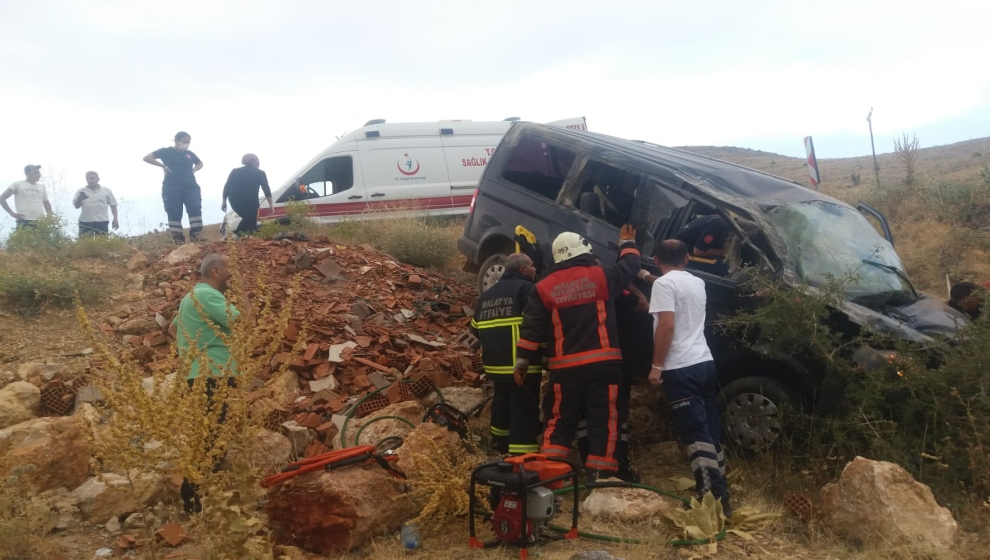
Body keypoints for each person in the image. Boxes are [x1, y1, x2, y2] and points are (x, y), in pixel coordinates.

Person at [516, 225, 641, 481]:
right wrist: (627, 242)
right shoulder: (602, 275)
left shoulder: (543, 287)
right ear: (584, 250)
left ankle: (551, 477)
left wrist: (522, 359)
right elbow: (630, 265)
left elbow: (532, 326)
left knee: (559, 418)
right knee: (605, 419)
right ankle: (602, 475)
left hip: (565, 369)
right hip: (604, 364)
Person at [648, 239, 731, 517]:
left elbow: (667, 325)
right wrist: (643, 276)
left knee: (695, 436)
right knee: (710, 431)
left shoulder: (663, 285)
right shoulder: (697, 283)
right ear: (686, 259)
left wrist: (657, 365)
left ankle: (713, 502)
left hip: (679, 368)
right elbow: (673, 287)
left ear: (656, 258)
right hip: (703, 362)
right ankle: (723, 495)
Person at [175, 253, 248, 513]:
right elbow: (243, 320)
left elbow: (174, 328)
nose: (233, 275)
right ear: (216, 271)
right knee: (212, 440)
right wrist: (243, 293)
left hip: (198, 373)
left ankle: (196, 498)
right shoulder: (207, 295)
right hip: (208, 374)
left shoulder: (192, 297)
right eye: (231, 269)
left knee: (207, 436)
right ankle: (193, 499)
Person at [471, 253, 543, 455]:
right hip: (521, 365)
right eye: (532, 266)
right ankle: (522, 457)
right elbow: (536, 325)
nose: (535, 269)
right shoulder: (527, 289)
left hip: (495, 366)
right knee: (524, 409)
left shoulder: (486, 296)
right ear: (522, 269)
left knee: (501, 404)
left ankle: (499, 447)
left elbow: (475, 329)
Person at [144, 132, 204, 243]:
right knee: (174, 212)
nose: (186, 144)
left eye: (188, 142)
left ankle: (196, 235)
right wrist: (162, 166)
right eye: (184, 141)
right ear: (176, 141)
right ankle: (178, 238)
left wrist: (195, 169)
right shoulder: (165, 152)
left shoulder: (189, 154)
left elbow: (200, 163)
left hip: (191, 186)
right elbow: (147, 158)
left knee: (195, 208)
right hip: (172, 187)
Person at [221, 153, 275, 236]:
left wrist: (224, 202)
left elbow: (227, 186)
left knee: (248, 219)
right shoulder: (260, 173)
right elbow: (266, 189)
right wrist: (271, 204)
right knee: (251, 221)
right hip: (251, 201)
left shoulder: (235, 171)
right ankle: (244, 238)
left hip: (235, 200)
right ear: (257, 163)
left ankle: (236, 236)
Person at [72, 171, 119, 236]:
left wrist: (115, 219)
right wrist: (80, 198)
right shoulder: (81, 191)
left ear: (98, 179)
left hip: (101, 221)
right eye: (87, 178)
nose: (89, 180)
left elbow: (113, 205)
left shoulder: (106, 191)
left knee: (102, 243)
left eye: (92, 178)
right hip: (85, 221)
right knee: (84, 244)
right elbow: (76, 206)